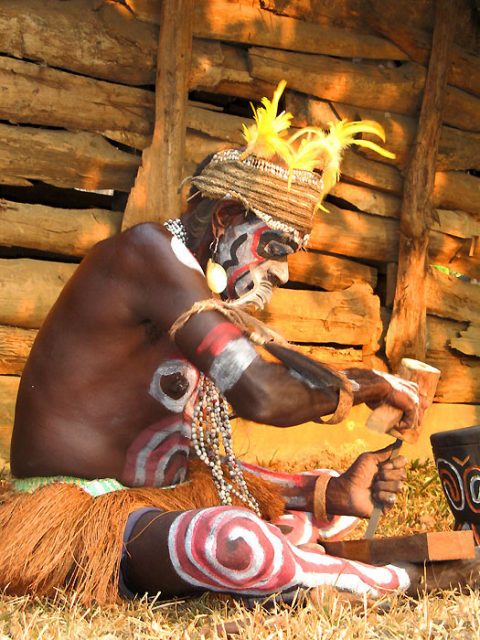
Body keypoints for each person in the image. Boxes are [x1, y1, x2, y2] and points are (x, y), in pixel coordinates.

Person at [1, 82, 478, 605]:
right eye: (274, 246)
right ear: (226, 218)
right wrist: (364, 385)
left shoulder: (197, 294)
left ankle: (309, 565)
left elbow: (191, 457)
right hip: (78, 516)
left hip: (157, 501)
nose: (284, 272)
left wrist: (328, 490)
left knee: (296, 520)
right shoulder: (146, 255)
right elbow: (264, 396)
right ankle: (403, 580)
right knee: (234, 541)